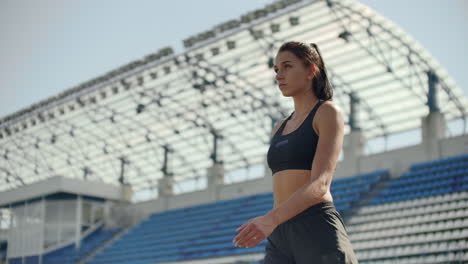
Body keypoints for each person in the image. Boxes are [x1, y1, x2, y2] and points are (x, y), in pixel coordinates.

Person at [232, 41, 358, 263]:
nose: (279, 75)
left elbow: (320, 185)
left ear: (311, 70)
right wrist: (275, 222)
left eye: (288, 66)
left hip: (315, 226)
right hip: (280, 235)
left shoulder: (327, 112)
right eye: (276, 69)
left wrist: (270, 219)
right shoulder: (279, 127)